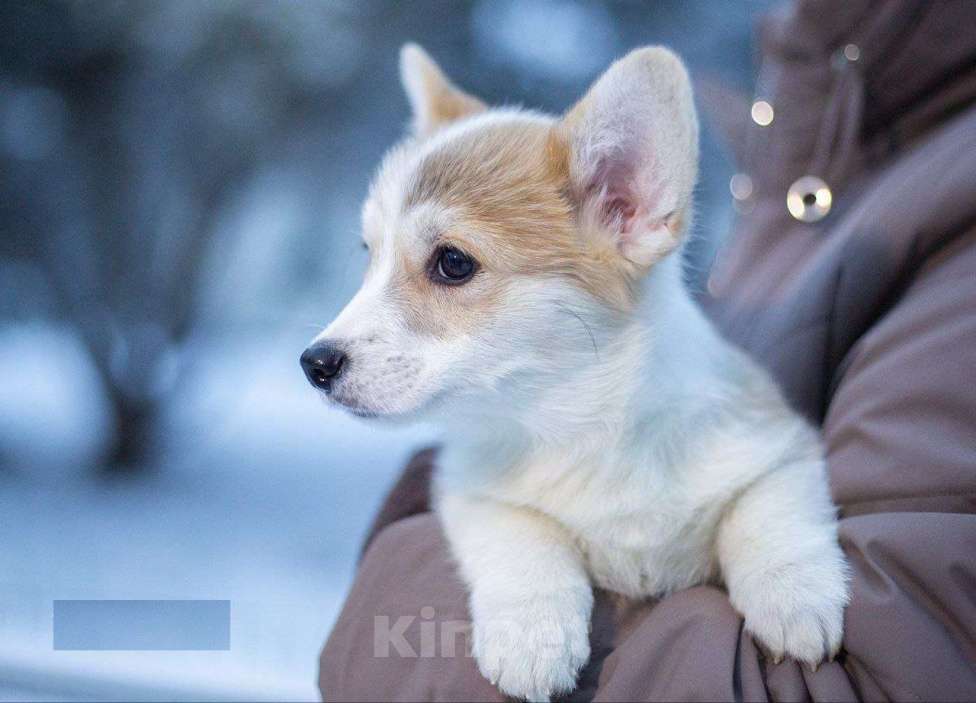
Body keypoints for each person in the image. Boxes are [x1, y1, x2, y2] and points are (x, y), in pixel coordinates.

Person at [319, 1, 976, 699]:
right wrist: (524, 577)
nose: (340, 331)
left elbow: (776, 482)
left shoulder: (941, 221)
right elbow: (483, 502)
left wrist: (769, 549)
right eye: (376, 255)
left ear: (627, 203)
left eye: (451, 264)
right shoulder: (813, 133)